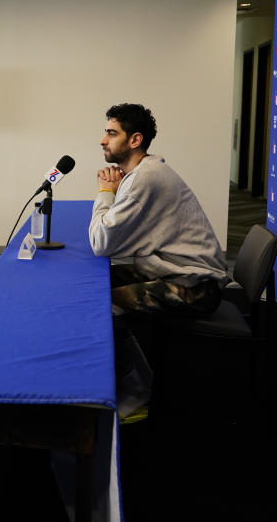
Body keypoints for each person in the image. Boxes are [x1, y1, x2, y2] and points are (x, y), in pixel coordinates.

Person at [90, 103, 229, 417]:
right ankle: (130, 375)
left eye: (111, 133)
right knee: (91, 289)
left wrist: (104, 191)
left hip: (196, 288)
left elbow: (101, 243)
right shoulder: (141, 172)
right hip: (176, 272)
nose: (103, 140)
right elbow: (113, 238)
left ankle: (136, 390)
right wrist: (110, 198)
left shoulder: (143, 179)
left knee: (102, 306)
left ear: (135, 140)